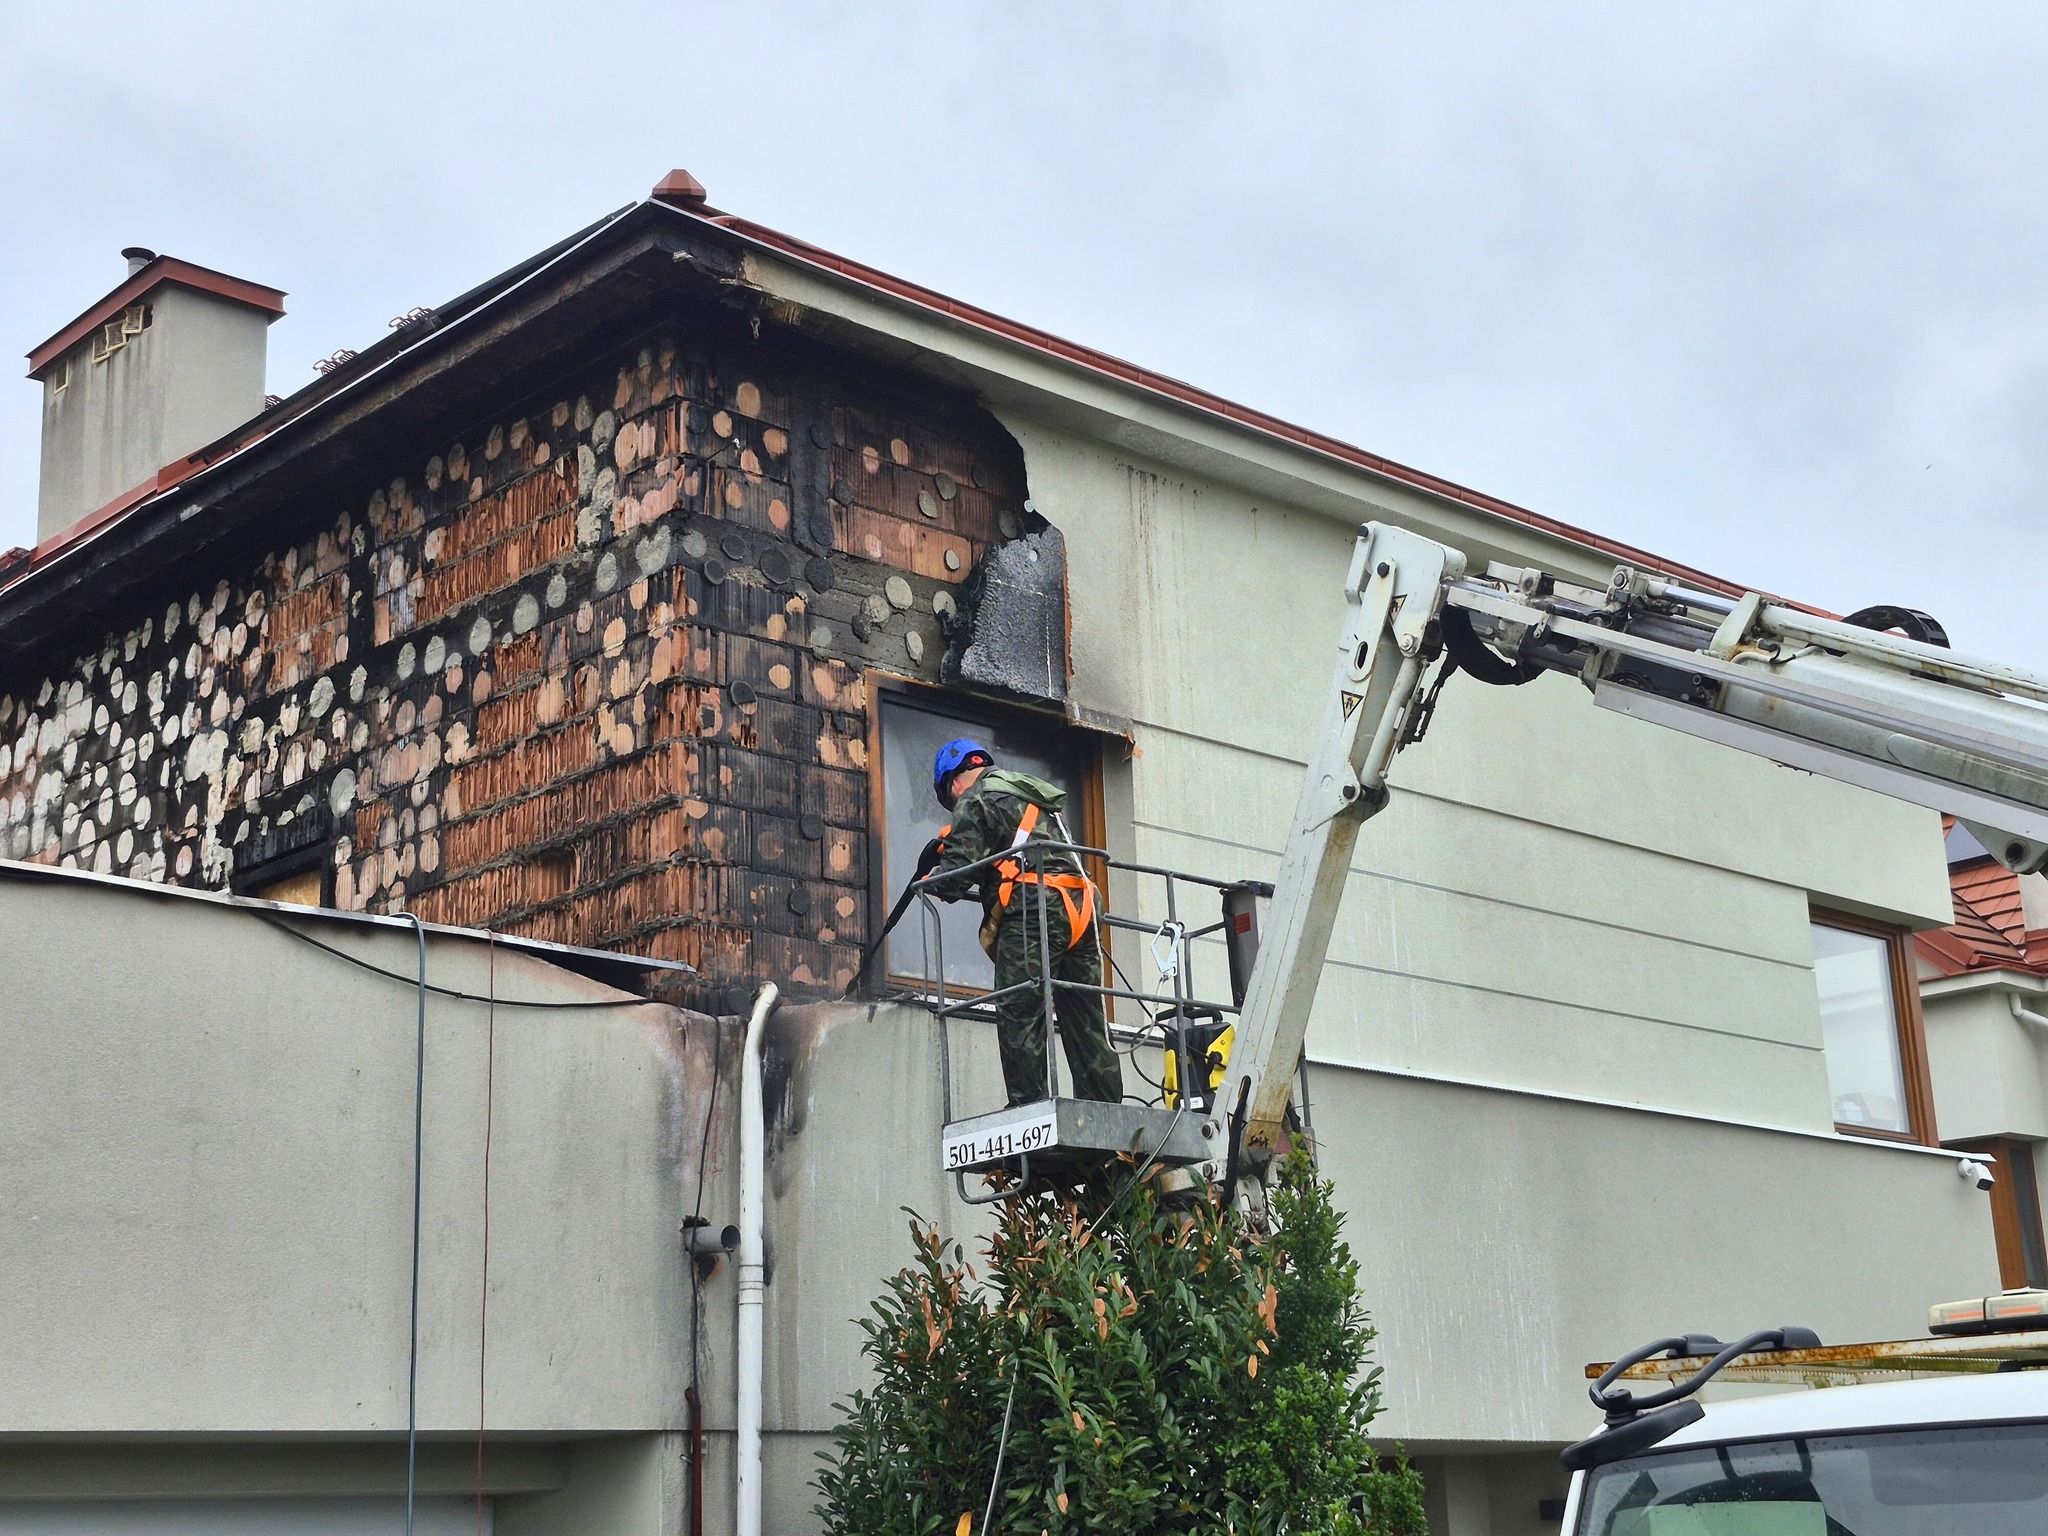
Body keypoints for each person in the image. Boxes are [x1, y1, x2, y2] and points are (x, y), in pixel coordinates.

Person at [918, 738, 1123, 1107]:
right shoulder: (1028, 792)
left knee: (1020, 1008)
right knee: (1086, 1016)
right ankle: (1104, 1106)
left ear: (953, 782)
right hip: (1083, 904)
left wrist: (927, 878)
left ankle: (1027, 1108)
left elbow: (953, 881)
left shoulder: (975, 798)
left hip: (1037, 907)